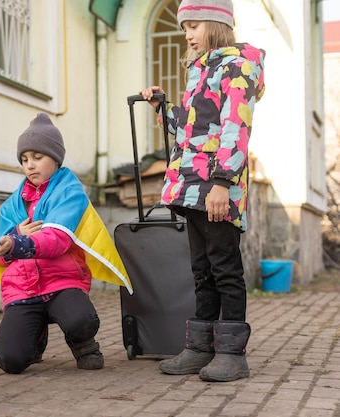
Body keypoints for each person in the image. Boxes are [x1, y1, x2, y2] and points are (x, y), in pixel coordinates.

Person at [139, 0, 265, 382]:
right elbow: (192, 130)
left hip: (215, 186)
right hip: (192, 184)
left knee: (224, 268)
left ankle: (231, 353)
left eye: (194, 25)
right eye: (184, 28)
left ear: (216, 22)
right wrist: (163, 107)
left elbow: (234, 127)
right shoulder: (201, 69)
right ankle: (200, 347)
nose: (188, 34)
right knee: (202, 270)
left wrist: (223, 183)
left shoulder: (237, 67)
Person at [0, 112, 131, 374]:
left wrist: (17, 243)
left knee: (81, 320)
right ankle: (36, 335)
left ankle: (84, 344)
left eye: (38, 157)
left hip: (62, 282)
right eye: (25, 159)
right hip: (23, 289)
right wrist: (13, 237)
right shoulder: (11, 205)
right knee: (10, 362)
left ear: (56, 159)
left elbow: (57, 241)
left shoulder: (70, 192)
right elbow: (0, 255)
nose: (30, 165)